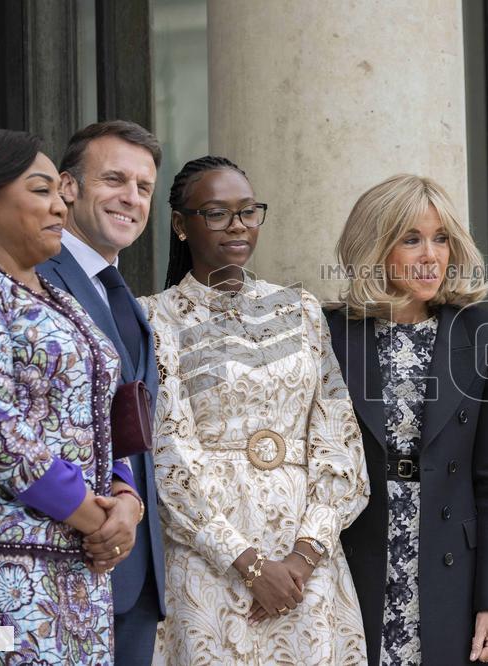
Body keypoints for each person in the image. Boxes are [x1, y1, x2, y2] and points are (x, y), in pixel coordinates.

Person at [0, 120, 166, 665]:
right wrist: (95, 517)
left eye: (145, 187)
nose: (59, 207)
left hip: (80, 557)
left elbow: (104, 410)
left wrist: (125, 500)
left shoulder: (55, 297)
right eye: (42, 190)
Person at [139, 156, 369, 664]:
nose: (238, 225)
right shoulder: (154, 318)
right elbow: (167, 455)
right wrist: (247, 563)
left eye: (248, 211)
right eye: (217, 213)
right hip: (210, 559)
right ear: (180, 225)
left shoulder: (300, 308)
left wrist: (305, 557)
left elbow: (337, 434)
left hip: (306, 556)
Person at [327, 174, 488, 665]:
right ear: (374, 248)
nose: (431, 255)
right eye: (411, 239)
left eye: (441, 238)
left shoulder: (487, 334)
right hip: (354, 570)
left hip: (453, 573)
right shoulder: (328, 333)